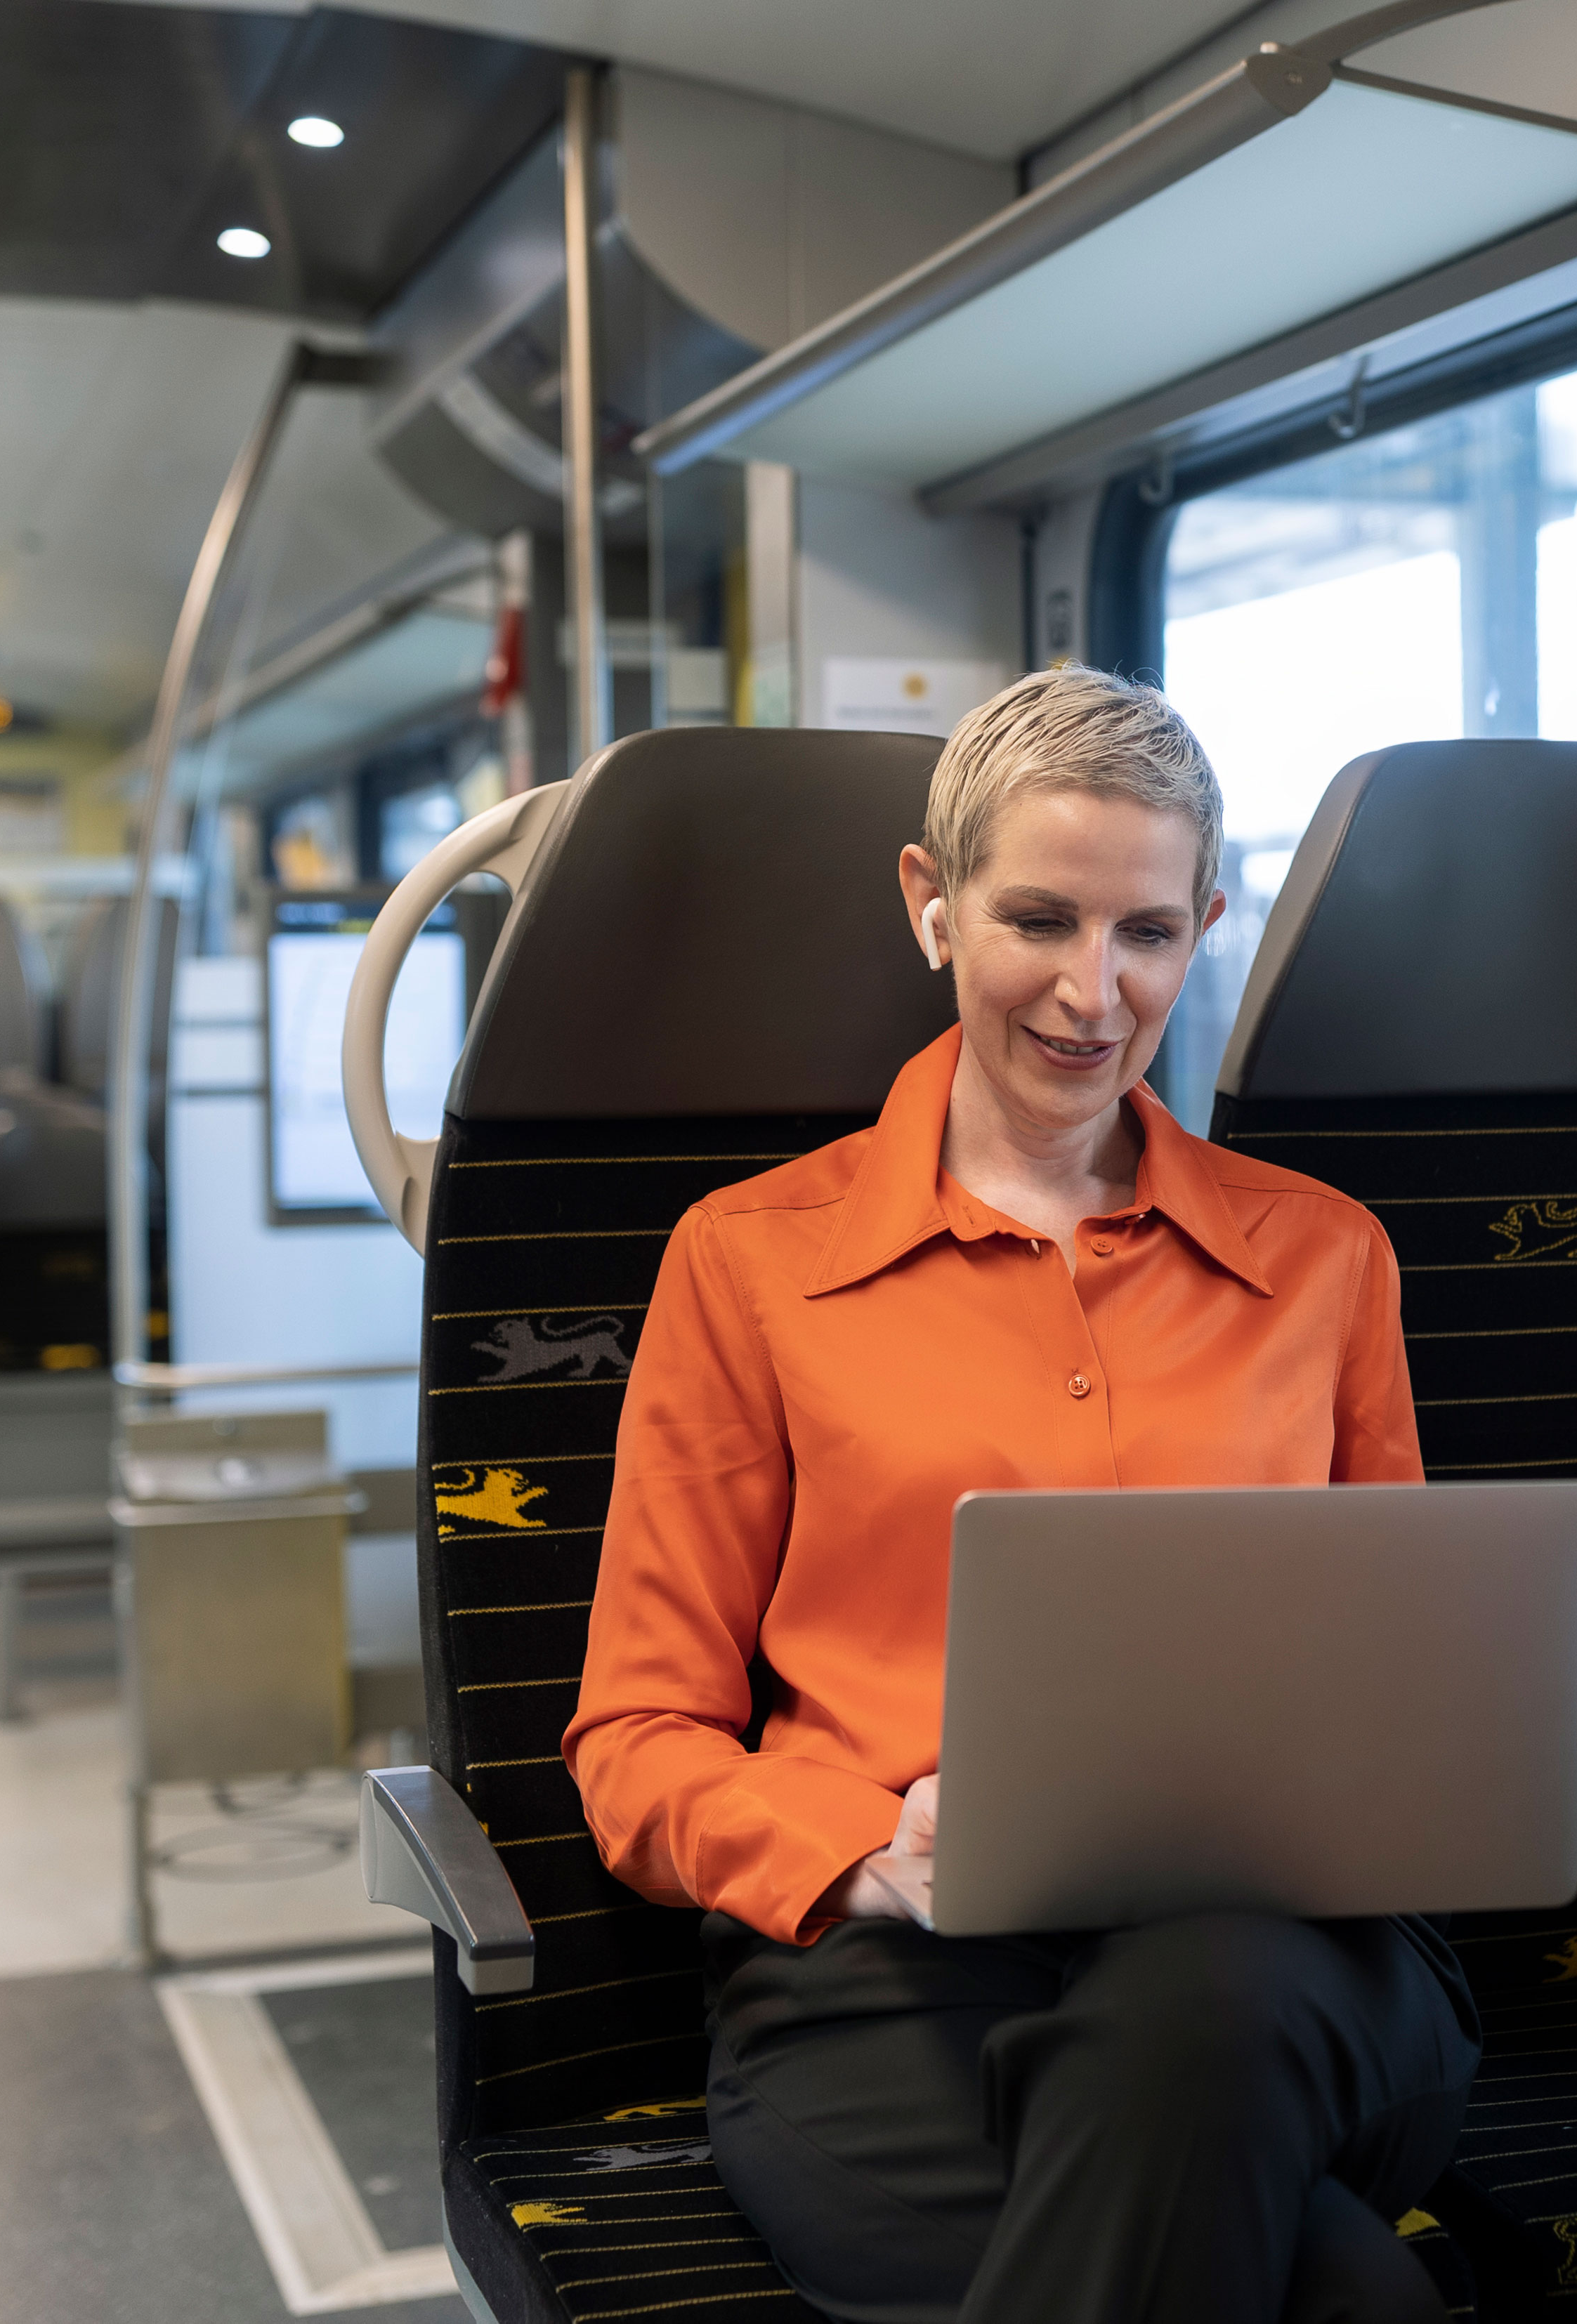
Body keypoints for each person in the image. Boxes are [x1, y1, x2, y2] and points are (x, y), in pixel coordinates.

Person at [563, 668, 1478, 2324]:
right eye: (1039, 918)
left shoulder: (1325, 1256)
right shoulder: (749, 1262)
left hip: (1284, 1963)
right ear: (932, 904)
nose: (1090, 991)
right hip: (893, 1975)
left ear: (1201, 926)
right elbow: (636, 1744)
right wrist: (869, 1848)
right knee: (1342, 2296)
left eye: (1144, 933)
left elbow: (1395, 1681)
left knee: (1206, 2005)